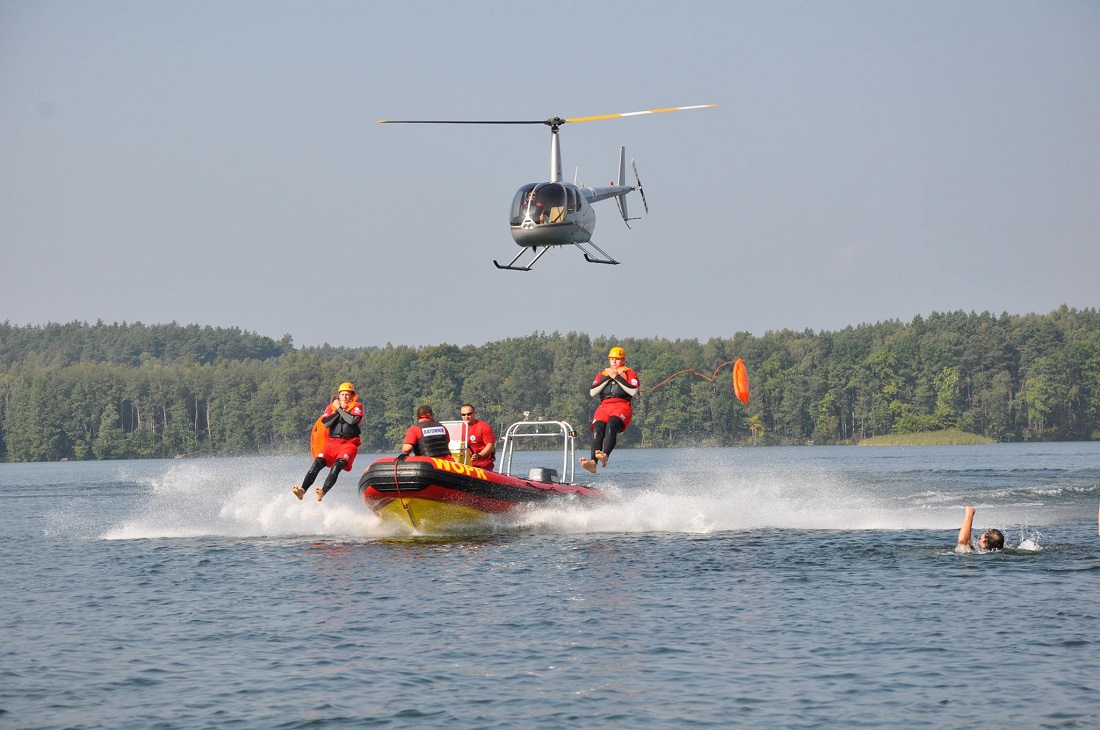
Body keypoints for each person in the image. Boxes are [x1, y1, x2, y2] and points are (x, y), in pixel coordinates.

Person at [293, 382, 363, 502]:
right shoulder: (330, 408)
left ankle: (323, 491)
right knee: (317, 464)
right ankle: (302, 490)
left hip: (348, 444)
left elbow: (352, 421)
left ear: (352, 396)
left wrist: (340, 408)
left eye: (348, 394)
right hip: (331, 443)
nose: (345, 397)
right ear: (339, 396)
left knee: (337, 466)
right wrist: (336, 410)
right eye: (343, 394)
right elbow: (326, 423)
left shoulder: (357, 406)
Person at [580, 346, 640, 474]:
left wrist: (617, 377)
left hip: (622, 405)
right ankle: (593, 463)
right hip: (604, 406)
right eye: (612, 359)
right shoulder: (602, 374)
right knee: (597, 429)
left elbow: (633, 391)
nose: (614, 362)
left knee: (611, 426)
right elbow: (593, 392)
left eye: (617, 359)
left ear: (623, 360)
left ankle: (605, 455)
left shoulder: (630, 373)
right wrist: (609, 377)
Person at [460, 403, 496, 470]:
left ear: (474, 413)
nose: (466, 416)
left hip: (481, 464)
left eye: (469, 414)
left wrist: (479, 456)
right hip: (463, 464)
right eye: (463, 415)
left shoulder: (484, 427)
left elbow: (490, 446)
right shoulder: (458, 428)